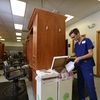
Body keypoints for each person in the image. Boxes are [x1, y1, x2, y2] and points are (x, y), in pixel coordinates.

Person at [69, 28, 98, 100]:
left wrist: (79, 58)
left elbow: (90, 54)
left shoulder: (87, 40)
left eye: (73, 37)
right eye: (72, 38)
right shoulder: (76, 44)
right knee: (80, 84)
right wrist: (70, 56)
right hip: (79, 66)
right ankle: (81, 98)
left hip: (87, 66)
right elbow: (75, 53)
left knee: (90, 85)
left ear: (78, 33)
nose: (73, 39)